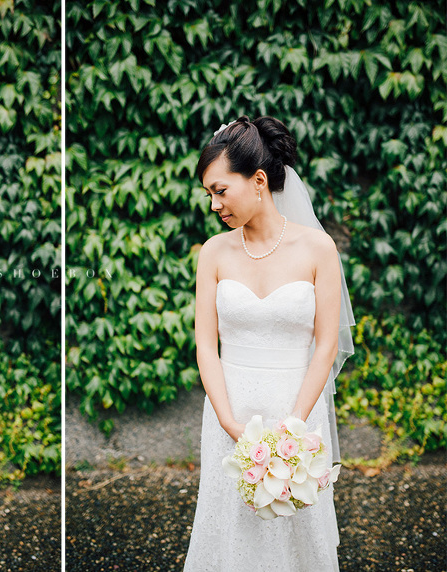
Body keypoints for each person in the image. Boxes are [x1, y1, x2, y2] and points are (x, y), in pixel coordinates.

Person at [183, 117, 353, 571]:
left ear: (258, 180)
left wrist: (294, 426)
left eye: (221, 190)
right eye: (209, 194)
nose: (215, 204)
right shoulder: (213, 252)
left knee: (297, 530)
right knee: (230, 525)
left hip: (298, 409)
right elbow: (205, 346)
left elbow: (325, 345)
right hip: (231, 410)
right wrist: (228, 422)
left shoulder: (318, 249)